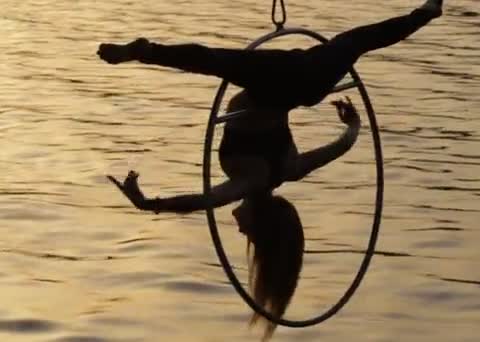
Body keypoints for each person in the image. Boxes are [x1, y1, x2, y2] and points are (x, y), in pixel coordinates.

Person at [107, 94, 360, 339]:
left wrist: (353, 126)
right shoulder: (250, 181)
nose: (241, 231)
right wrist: (146, 204)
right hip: (256, 84)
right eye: (250, 234)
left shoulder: (291, 169)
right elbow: (200, 201)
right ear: (262, 223)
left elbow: (341, 146)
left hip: (282, 87)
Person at [97, 0, 443, 112]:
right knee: (215, 60)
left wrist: (150, 203)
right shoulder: (274, 173)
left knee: (214, 60)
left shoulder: (274, 174)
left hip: (297, 84)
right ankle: (148, 52)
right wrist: (351, 128)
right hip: (295, 80)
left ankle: (148, 52)